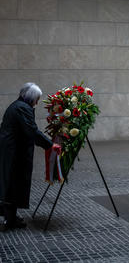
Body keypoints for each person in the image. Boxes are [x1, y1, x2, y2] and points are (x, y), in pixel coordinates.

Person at [0, 83, 60, 230]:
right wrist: (50, 145)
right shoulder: (22, 108)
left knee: (12, 183)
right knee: (12, 183)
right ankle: (9, 219)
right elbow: (31, 130)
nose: (37, 102)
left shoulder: (19, 106)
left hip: (12, 150)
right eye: (37, 99)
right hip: (13, 152)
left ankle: (10, 216)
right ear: (31, 97)